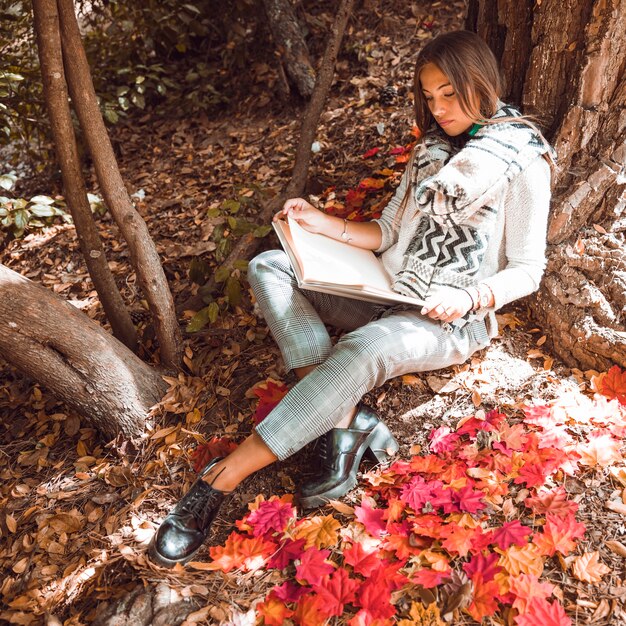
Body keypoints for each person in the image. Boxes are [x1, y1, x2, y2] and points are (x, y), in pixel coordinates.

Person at [149, 30, 555, 567]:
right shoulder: (430, 150)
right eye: (430, 96)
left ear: (479, 82)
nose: (439, 109)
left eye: (449, 94)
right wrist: (324, 224)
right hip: (388, 289)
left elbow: (529, 270)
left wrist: (472, 296)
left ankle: (221, 479)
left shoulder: (521, 158)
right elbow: (388, 232)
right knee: (270, 265)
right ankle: (342, 420)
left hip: (452, 318)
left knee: (364, 347)